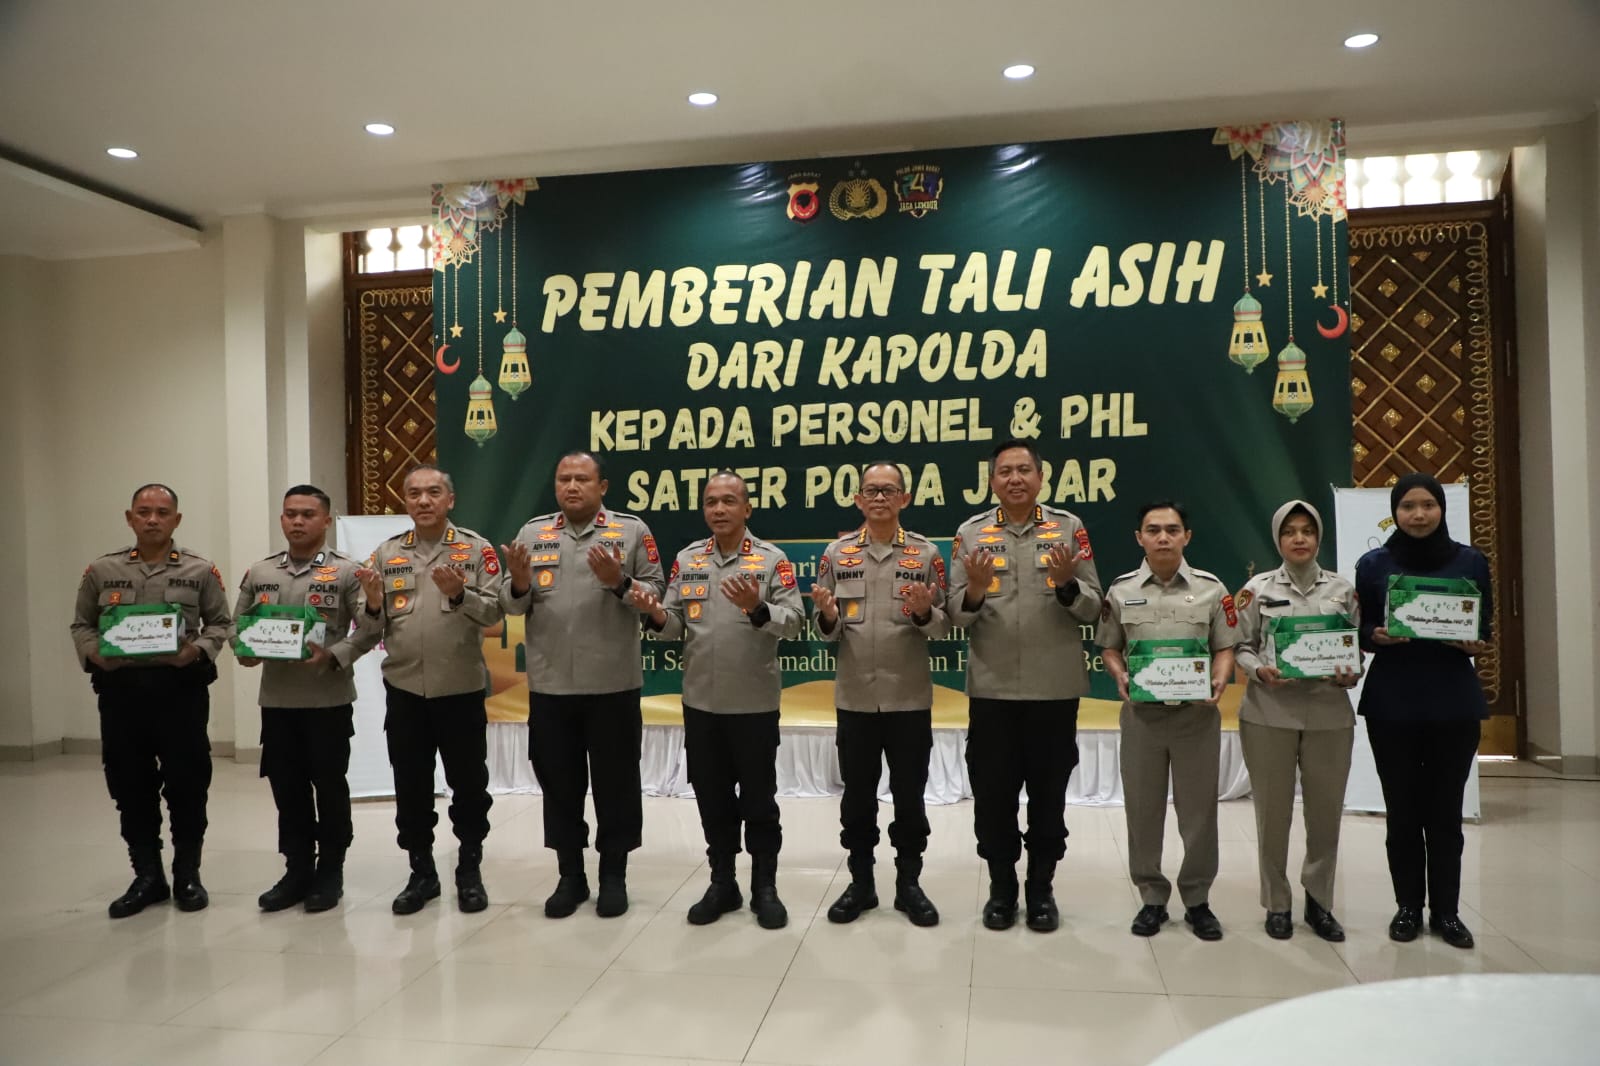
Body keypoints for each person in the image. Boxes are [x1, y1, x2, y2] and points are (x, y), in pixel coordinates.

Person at [630, 471, 804, 929]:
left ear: (747, 508)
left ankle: (764, 887)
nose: (720, 509)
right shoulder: (688, 559)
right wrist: (653, 614)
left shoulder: (771, 560)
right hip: (701, 704)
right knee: (712, 799)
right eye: (711, 502)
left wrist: (757, 608)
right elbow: (673, 625)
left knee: (759, 803)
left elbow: (794, 622)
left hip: (753, 705)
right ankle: (722, 882)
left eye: (729, 501)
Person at [499, 451, 665, 919]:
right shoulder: (533, 534)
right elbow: (510, 606)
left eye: (582, 479)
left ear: (602, 487)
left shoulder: (631, 532)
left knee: (617, 785)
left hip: (612, 685)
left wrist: (619, 582)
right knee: (559, 786)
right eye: (563, 479)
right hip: (551, 686)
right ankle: (570, 875)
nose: (571, 487)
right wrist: (518, 583)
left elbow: (656, 596)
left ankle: (614, 875)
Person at [947, 439, 1103, 933]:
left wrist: (1067, 584)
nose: (1014, 478)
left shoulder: (1069, 528)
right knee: (993, 797)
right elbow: (954, 615)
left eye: (1023, 470)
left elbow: (1094, 607)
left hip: (1052, 690)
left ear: (1040, 477)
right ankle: (1001, 889)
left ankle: (1041, 890)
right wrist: (974, 591)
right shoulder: (971, 533)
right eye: (1005, 471)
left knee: (1048, 797)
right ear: (992, 480)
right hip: (992, 691)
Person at [70, 484, 234, 918]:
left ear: (176, 519)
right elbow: (82, 625)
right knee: (130, 786)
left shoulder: (199, 570)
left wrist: (194, 652)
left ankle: (187, 874)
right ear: (130, 518)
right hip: (121, 695)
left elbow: (221, 623)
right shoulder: (102, 570)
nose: (152, 519)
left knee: (187, 784)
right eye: (144, 512)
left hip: (180, 693)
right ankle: (147, 876)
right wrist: (94, 654)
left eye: (162, 512)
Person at [355, 464, 504, 915]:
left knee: (469, 787)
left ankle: (469, 871)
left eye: (433, 492)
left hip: (459, 688)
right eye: (415, 493)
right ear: (405, 501)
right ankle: (421, 873)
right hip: (405, 690)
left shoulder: (476, 549)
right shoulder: (386, 553)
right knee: (411, 786)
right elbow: (368, 625)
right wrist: (374, 604)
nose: (423, 501)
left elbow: (496, 614)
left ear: (450, 499)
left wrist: (461, 595)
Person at [1355, 473, 1492, 950]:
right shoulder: (1374, 564)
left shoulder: (1470, 561)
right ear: (1395, 512)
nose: (1418, 515)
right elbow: (1362, 629)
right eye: (1408, 506)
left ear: (1441, 509)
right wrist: (1375, 636)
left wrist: (1476, 642)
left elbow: (1484, 627)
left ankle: (1447, 912)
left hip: (1453, 702)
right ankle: (1409, 907)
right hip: (1392, 702)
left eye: (1427, 505)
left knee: (1445, 813)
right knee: (1402, 812)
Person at [812, 461, 949, 927]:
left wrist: (925, 611)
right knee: (857, 798)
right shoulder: (837, 553)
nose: (879, 498)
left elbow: (943, 626)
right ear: (857, 499)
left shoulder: (926, 554)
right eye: (871, 490)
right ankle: (861, 883)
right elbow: (826, 629)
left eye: (889, 490)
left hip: (908, 699)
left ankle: (909, 885)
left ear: (905, 499)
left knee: (910, 797)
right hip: (855, 700)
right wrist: (828, 617)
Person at [236, 485, 382, 913]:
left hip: (327, 701)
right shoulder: (261, 572)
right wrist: (245, 649)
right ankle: (296, 869)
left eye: (307, 514)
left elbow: (371, 628)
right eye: (290, 514)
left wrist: (334, 656)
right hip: (278, 701)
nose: (297, 521)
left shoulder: (348, 572)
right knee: (287, 789)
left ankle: (330, 870)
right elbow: (237, 624)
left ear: (326, 520)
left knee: (330, 788)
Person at [1098, 500, 1238, 941]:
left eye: (1172, 530)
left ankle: (1197, 899)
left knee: (1199, 812)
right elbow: (1109, 646)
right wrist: (1120, 674)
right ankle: (1152, 898)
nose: (1163, 537)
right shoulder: (1121, 590)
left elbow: (1225, 646)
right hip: (1143, 718)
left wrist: (1220, 678)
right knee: (1143, 810)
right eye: (1153, 530)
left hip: (1196, 717)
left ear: (1186, 537)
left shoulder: (1212, 589)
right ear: (1139, 538)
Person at [1234, 500, 1360, 941]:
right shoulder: (1256, 589)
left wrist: (1351, 672)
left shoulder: (1343, 590)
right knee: (1273, 814)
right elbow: (1240, 646)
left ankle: (1320, 902)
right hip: (1270, 712)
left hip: (1329, 714)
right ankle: (1277, 903)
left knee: (1325, 814)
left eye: (1308, 530)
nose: (1300, 538)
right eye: (1290, 531)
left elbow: (1353, 648)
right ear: (1278, 539)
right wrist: (1258, 671)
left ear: (1319, 538)